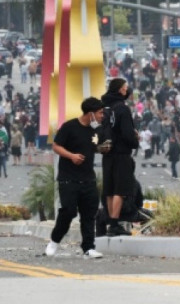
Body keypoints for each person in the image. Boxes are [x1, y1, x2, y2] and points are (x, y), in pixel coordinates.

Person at [45, 97, 104, 259]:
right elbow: (56, 146)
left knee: (89, 214)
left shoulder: (96, 130)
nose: (102, 116)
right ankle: (54, 241)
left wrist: (103, 148)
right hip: (68, 179)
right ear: (91, 114)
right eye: (100, 113)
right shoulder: (69, 127)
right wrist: (71, 156)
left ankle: (88, 247)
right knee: (68, 211)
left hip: (88, 179)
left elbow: (94, 147)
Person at [101, 78, 139, 236]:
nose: (127, 90)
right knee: (121, 190)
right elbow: (127, 133)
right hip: (121, 154)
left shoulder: (105, 108)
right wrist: (135, 140)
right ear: (120, 90)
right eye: (125, 87)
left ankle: (111, 223)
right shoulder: (122, 109)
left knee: (110, 190)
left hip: (107, 154)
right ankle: (115, 224)